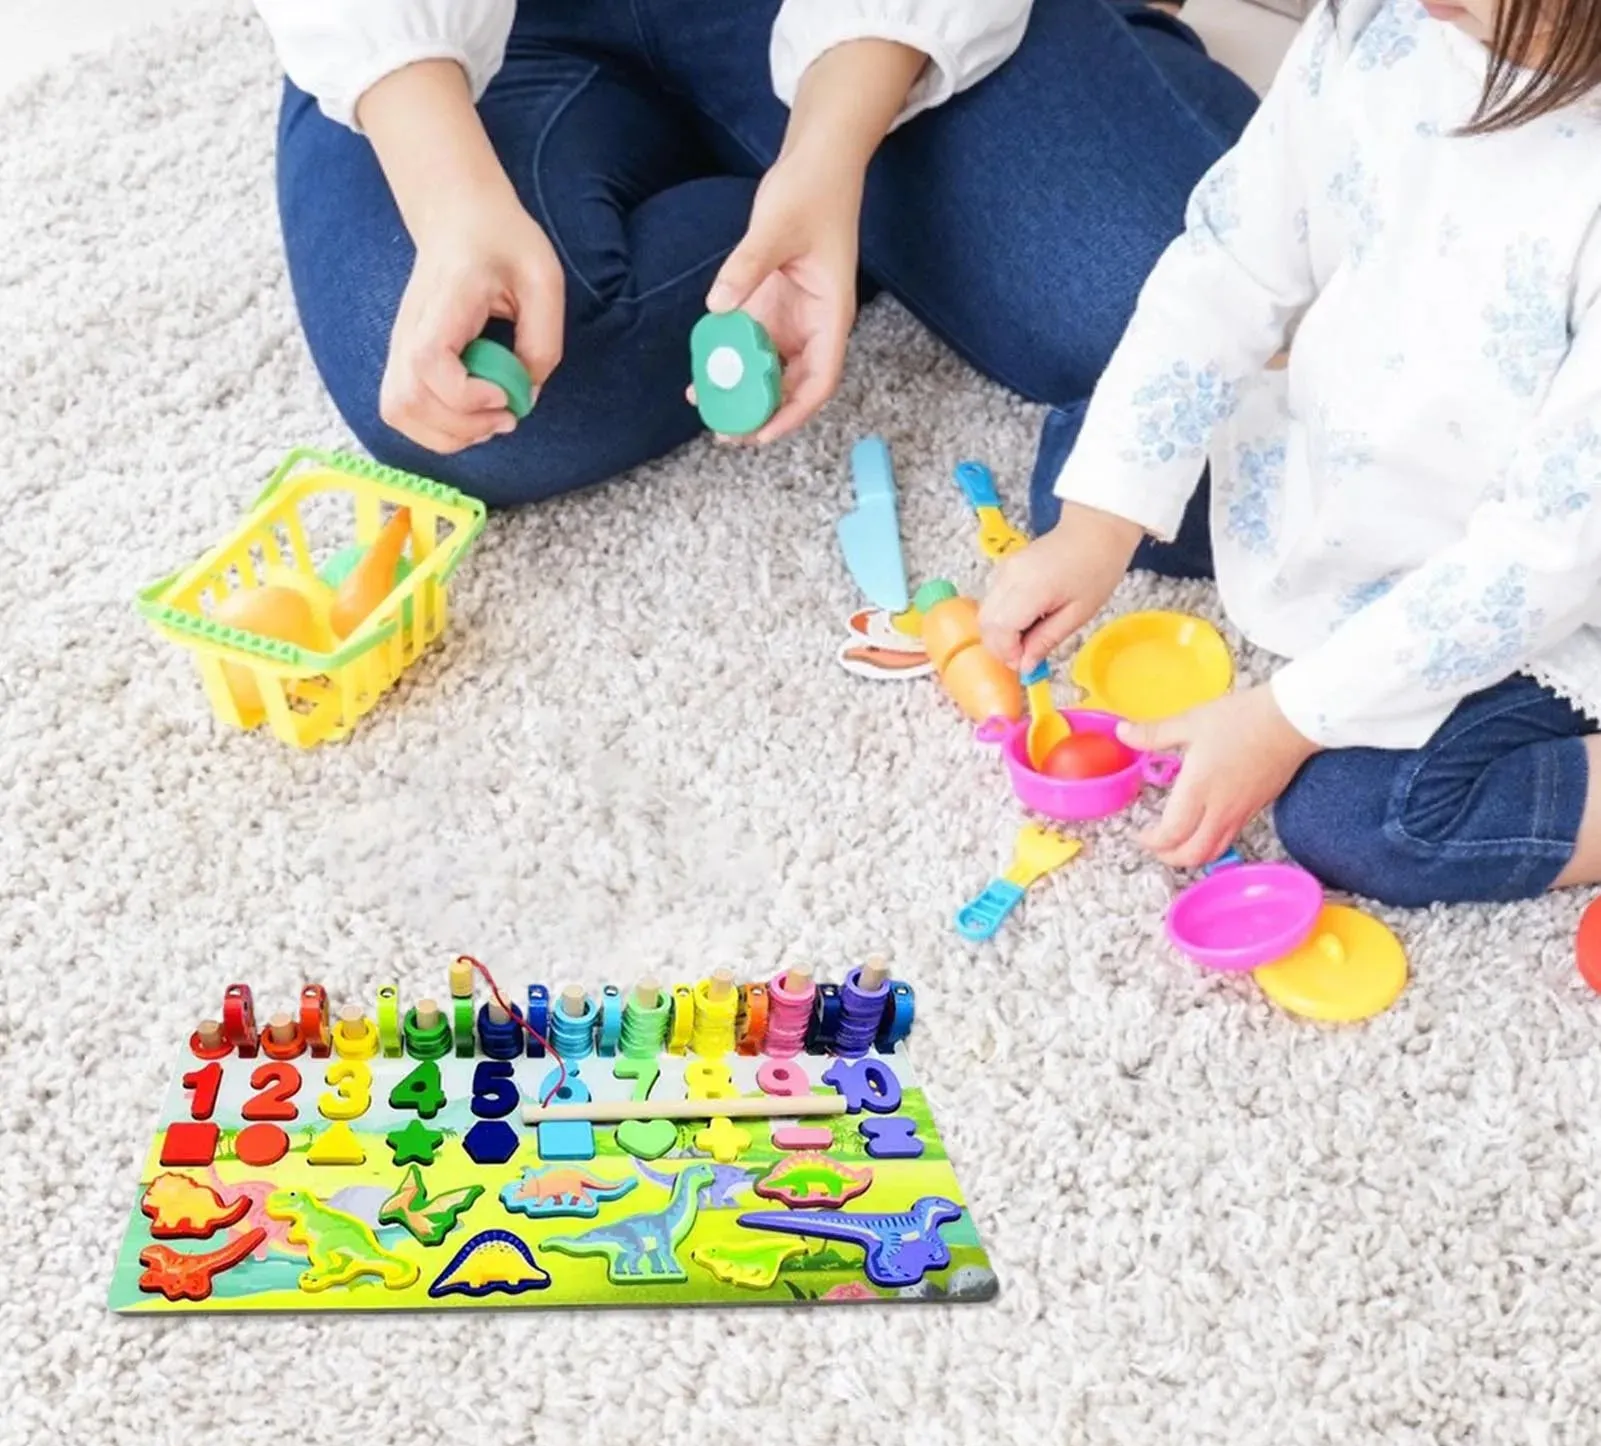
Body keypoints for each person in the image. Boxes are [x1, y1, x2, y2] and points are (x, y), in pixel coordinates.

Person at [980, 0, 1601, 909]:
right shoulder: (1378, 25)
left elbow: (1539, 558)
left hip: (1553, 580)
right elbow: (1230, 263)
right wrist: (1100, 522)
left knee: (1360, 817)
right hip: (1360, 461)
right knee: (1085, 467)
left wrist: (1284, 718)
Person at [256, 0, 1256, 507]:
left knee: (1178, 314)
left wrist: (829, 150)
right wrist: (455, 200)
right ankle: (876, 211)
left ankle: (847, 182)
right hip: (500, 34)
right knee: (480, 393)